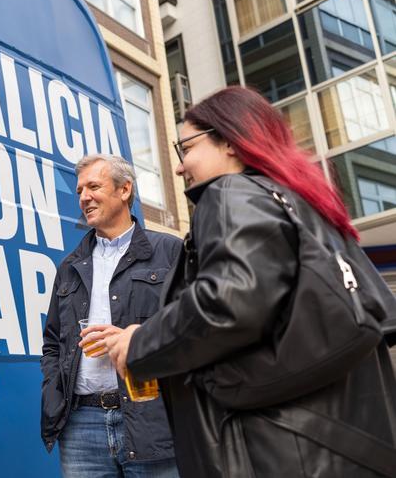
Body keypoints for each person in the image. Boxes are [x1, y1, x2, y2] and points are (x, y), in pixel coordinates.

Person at [105, 86, 396, 477]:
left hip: (272, 452)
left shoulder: (229, 193)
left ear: (229, 141)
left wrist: (141, 342)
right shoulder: (310, 207)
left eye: (186, 148)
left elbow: (229, 302)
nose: (179, 166)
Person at [40, 154, 182, 477]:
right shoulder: (69, 266)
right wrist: (54, 392)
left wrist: (135, 338)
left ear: (124, 190)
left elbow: (189, 330)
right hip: (81, 427)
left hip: (151, 418)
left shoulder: (170, 252)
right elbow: (52, 343)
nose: (83, 197)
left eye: (93, 186)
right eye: (79, 191)